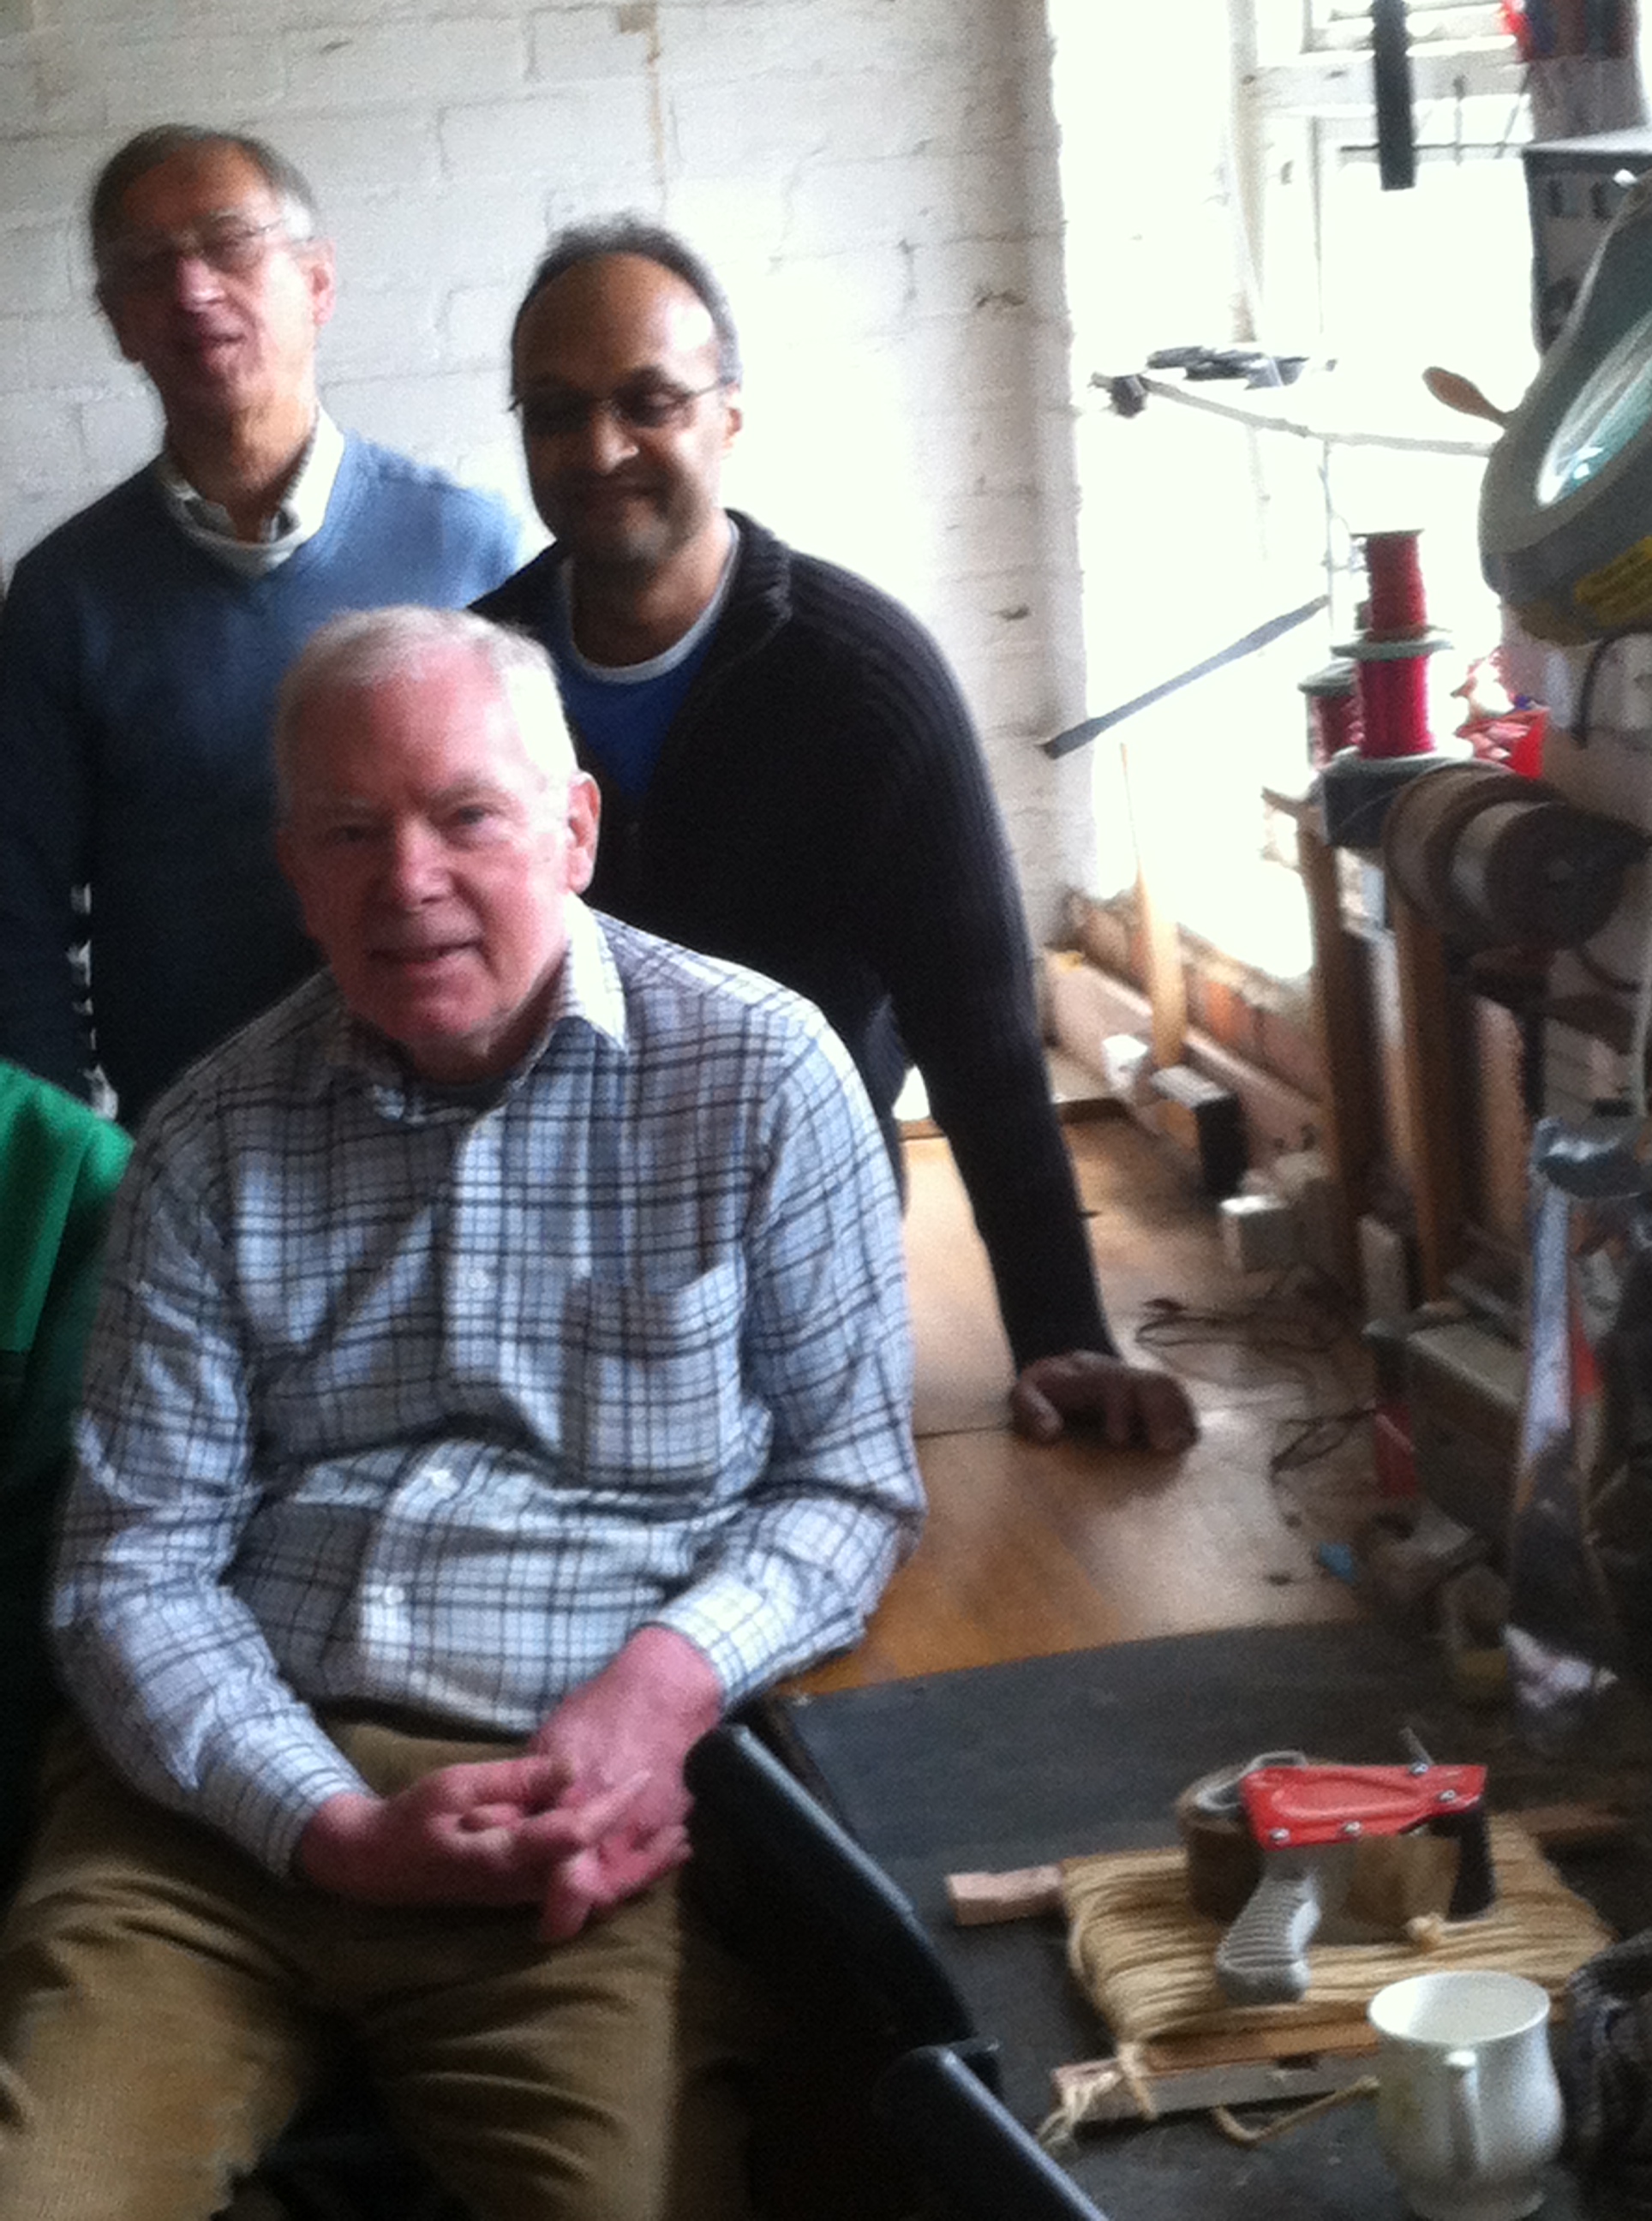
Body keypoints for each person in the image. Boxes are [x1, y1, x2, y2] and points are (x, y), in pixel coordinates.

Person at [0, 607, 924, 2220]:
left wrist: (663, 1688)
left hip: (570, 1816)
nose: (407, 879)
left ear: (574, 830)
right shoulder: (207, 1138)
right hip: (208, 1819)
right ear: (295, 872)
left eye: (465, 816)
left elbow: (847, 1482)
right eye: (350, 832)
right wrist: (332, 1826)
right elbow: (128, 1569)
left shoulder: (764, 1078)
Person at [476, 219, 1198, 1454]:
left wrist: (1059, 1330)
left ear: (729, 417)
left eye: (649, 402)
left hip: (792, 1246)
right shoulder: (476, 686)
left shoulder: (861, 683)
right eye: (555, 412)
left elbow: (979, 1035)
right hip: (534, 1261)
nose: (599, 448)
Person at [0, 125, 522, 1128]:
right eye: (147, 266)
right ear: (118, 322)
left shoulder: (469, 548)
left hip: (462, 1124)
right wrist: (74, 1161)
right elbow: (17, 918)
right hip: (194, 1145)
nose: (192, 290)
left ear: (317, 283)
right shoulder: (66, 597)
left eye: (229, 243)